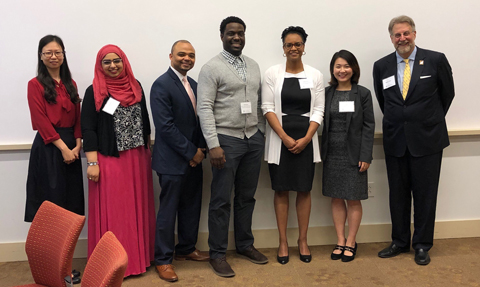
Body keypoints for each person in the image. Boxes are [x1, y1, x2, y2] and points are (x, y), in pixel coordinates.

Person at [373, 15, 454, 265]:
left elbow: (447, 95)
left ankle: (421, 244)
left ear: (415, 34)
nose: (402, 38)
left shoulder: (435, 60)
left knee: (425, 195)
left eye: (406, 33)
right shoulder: (381, 66)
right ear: (391, 38)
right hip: (396, 139)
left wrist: (426, 121)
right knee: (397, 194)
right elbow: (384, 101)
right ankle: (399, 241)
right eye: (397, 35)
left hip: (428, 140)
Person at [197, 16, 267, 277]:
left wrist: (259, 130)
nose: (236, 37)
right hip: (225, 141)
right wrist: (213, 144)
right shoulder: (211, 68)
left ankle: (245, 245)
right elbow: (204, 108)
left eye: (240, 33)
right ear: (222, 36)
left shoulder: (253, 65)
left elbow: (258, 102)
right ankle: (217, 254)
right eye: (231, 34)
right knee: (220, 200)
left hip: (252, 139)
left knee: (246, 197)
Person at [81, 44, 156, 277]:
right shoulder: (94, 91)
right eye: (107, 62)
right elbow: (88, 129)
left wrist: (148, 148)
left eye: (117, 60)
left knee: (137, 210)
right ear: (100, 65)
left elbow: (144, 119)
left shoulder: (136, 86)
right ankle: (112, 264)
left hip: (137, 159)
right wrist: (92, 163)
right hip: (109, 160)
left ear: (124, 61)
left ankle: (138, 260)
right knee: (116, 212)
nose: (113, 66)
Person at [262, 26, 324, 265]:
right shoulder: (272, 73)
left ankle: (303, 240)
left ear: (304, 47)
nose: (294, 48)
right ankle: (283, 242)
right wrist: (284, 137)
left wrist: (307, 138)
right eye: (289, 44)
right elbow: (267, 108)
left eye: (298, 44)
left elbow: (318, 109)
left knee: (304, 190)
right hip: (281, 140)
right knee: (281, 189)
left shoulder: (315, 75)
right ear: (283, 48)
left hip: (306, 139)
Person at [150, 40, 209, 282]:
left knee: (191, 206)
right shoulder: (161, 85)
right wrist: (190, 152)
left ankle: (185, 248)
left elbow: (201, 121)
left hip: (194, 158)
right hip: (172, 161)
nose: (187, 59)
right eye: (182, 54)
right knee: (168, 210)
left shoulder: (194, 85)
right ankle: (163, 260)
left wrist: (201, 150)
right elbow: (165, 127)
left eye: (191, 55)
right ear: (171, 56)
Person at [321, 50, 375, 262]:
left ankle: (352, 241)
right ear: (332, 70)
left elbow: (369, 126)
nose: (342, 70)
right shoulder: (326, 93)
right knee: (336, 197)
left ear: (354, 69)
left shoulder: (362, 93)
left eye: (346, 66)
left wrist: (366, 155)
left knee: (353, 199)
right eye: (338, 67)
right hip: (331, 153)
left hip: (354, 154)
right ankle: (340, 240)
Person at [26, 35, 84, 222]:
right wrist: (64, 149)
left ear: (63, 55)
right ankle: (49, 250)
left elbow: (77, 118)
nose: (53, 56)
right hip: (49, 146)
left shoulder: (71, 84)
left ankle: (67, 250)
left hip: (71, 148)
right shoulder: (34, 85)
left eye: (57, 52)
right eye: (48, 53)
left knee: (71, 202)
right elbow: (40, 120)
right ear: (41, 56)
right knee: (51, 200)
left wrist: (77, 145)